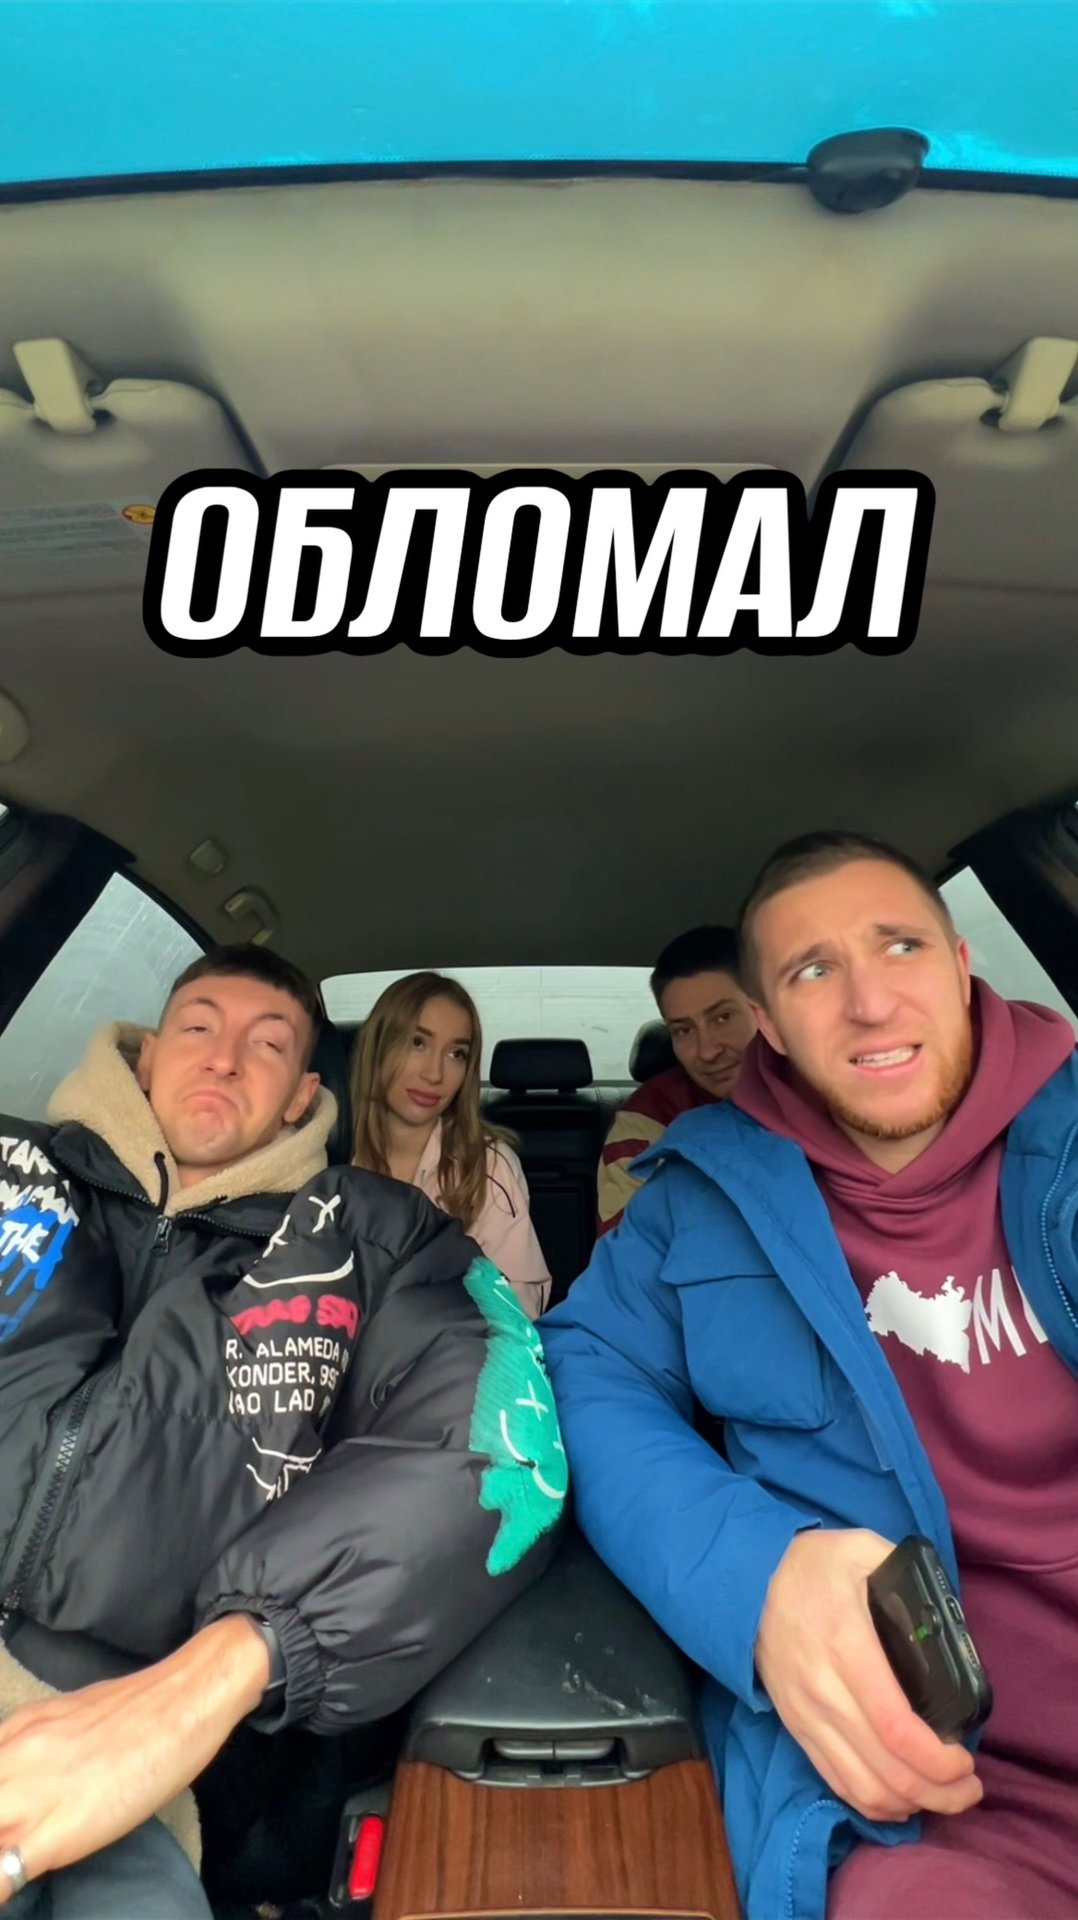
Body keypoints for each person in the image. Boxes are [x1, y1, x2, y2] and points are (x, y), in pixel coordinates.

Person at [541, 830, 1078, 1920]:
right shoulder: (695, 1199)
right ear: (772, 1026)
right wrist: (754, 1575)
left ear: (959, 964)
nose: (870, 1004)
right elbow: (581, 1368)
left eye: (899, 947)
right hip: (920, 1793)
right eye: (814, 970)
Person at [0, 945, 567, 1918]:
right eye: (199, 1027)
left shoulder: (382, 1241)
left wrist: (225, 1668)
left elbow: (496, 1452)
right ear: (146, 1055)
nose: (224, 1058)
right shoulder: (16, 1175)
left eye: (266, 1044)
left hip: (155, 1742)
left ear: (305, 1091)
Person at [350, 972, 550, 1317]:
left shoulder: (486, 1166)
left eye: (457, 1054)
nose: (435, 1074)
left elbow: (516, 1313)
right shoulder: (327, 1155)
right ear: (378, 1047)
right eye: (417, 1043)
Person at [596, 926, 755, 1234]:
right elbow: (631, 1255)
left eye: (723, 1018)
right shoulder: (649, 1121)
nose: (707, 1051)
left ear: (767, 1010)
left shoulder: (833, 1096)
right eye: (683, 1030)